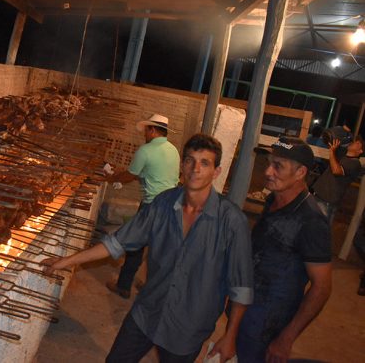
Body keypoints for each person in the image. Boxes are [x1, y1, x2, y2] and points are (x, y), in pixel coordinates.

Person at [42, 134, 253, 363]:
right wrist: (65, 261)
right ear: (182, 165)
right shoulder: (163, 204)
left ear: (216, 171)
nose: (195, 169)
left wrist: (230, 336)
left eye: (205, 163)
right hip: (148, 312)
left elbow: (241, 286)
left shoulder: (232, 221)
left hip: (188, 328)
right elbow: (118, 242)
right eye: (190, 160)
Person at [237, 137, 332, 362]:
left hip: (269, 324)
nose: (268, 171)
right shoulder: (273, 199)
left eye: (278, 166)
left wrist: (286, 338)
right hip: (248, 309)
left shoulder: (311, 221)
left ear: (300, 173)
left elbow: (322, 287)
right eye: (269, 163)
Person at [104, 113, 180, 299]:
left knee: (135, 244)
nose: (144, 134)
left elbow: (130, 175)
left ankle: (123, 286)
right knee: (158, 248)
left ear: (152, 130)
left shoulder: (146, 150)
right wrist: (125, 173)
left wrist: (113, 178)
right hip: (172, 206)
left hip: (151, 206)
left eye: (146, 130)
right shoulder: (174, 151)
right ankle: (151, 287)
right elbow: (153, 174)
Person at [311, 136, 363, 223]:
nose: (354, 142)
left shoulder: (355, 164)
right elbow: (330, 140)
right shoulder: (342, 154)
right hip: (318, 196)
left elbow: (336, 170)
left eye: (357, 143)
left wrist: (332, 152)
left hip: (326, 201)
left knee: (318, 228)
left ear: (360, 151)